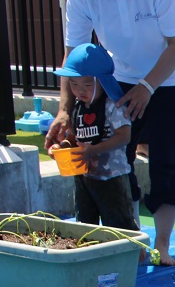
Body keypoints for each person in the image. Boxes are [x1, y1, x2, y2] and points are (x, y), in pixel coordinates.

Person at [46, 0, 175, 266]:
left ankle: (162, 245)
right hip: (120, 79)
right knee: (119, 160)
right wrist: (65, 110)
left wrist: (147, 87)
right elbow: (74, 53)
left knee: (166, 161)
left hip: (171, 78)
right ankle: (134, 241)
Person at [51, 44, 137, 232]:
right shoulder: (78, 108)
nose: (79, 90)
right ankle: (89, 249)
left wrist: (95, 150)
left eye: (87, 85)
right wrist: (62, 147)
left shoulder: (112, 106)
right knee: (84, 225)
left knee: (119, 225)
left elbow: (125, 136)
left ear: (103, 82)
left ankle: (128, 248)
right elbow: (73, 138)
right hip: (84, 176)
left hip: (111, 176)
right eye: (74, 84)